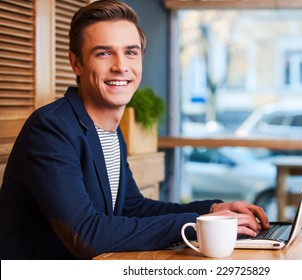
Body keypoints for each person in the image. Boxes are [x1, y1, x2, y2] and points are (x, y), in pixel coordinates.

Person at [0, 0, 269, 260]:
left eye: (131, 52)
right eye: (103, 53)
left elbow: (132, 207)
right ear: (76, 63)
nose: (121, 65)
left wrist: (211, 209)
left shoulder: (109, 131)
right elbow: (86, 235)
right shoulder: (51, 129)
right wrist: (198, 224)